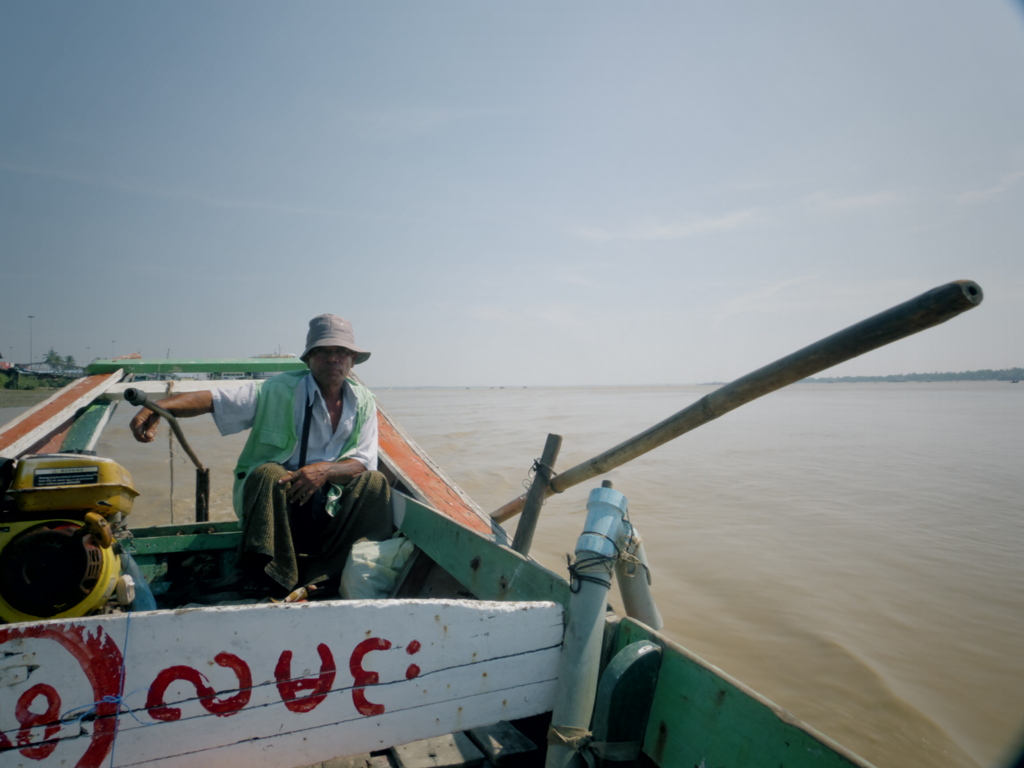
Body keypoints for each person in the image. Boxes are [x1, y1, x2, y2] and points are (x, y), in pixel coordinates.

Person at [130, 314, 392, 597]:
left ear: (352, 360)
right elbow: (214, 400)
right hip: (280, 505)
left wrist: (324, 471)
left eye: (341, 352)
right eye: (323, 352)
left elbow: (364, 462)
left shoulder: (363, 400)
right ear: (309, 360)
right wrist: (157, 408)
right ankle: (271, 573)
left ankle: (327, 572)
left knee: (375, 483)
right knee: (268, 472)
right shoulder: (277, 389)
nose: (333, 359)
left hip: (331, 505)